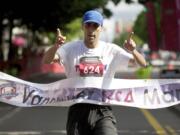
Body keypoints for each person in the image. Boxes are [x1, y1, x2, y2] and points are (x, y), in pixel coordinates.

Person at [42, 10, 147, 135]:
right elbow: (47, 60)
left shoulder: (111, 50)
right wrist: (55, 46)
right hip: (77, 110)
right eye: (88, 25)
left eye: (95, 25)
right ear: (83, 27)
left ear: (101, 28)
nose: (91, 29)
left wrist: (133, 51)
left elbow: (142, 63)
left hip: (102, 111)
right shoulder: (70, 48)